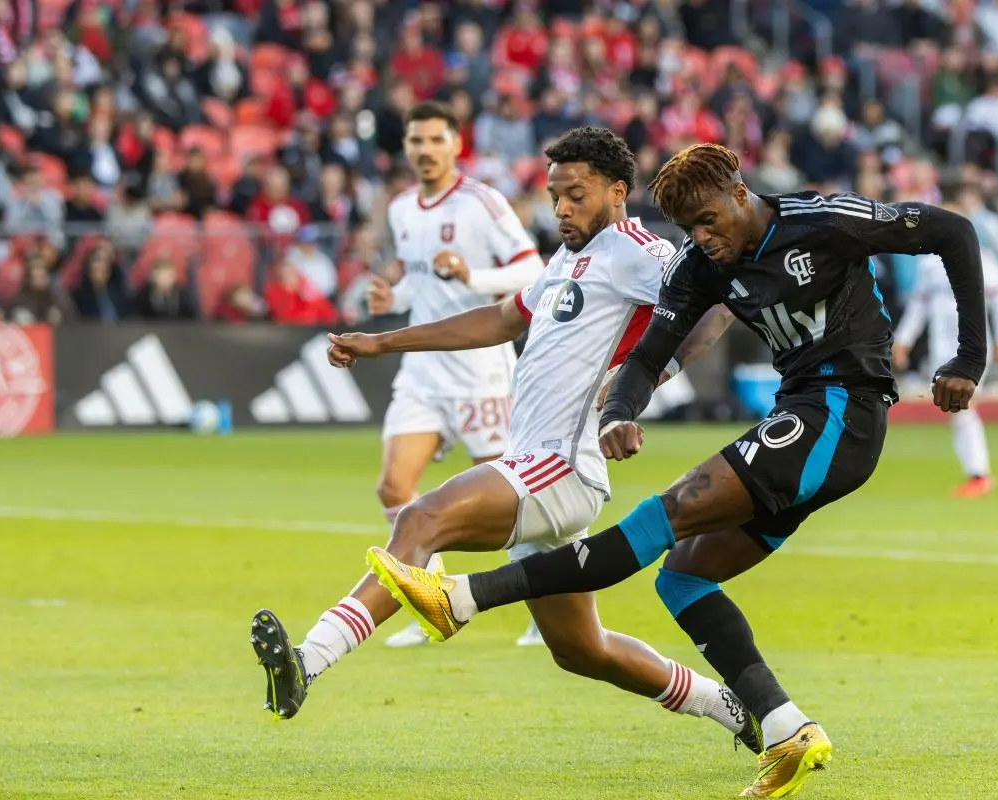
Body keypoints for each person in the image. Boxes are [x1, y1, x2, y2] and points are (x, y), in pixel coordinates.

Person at [368, 143, 987, 798]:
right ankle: (787, 729)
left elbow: (954, 231)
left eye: (708, 220)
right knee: (685, 576)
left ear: (739, 194)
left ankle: (463, 598)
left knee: (665, 515)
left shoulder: (823, 219)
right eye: (689, 228)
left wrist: (968, 358)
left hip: (842, 413)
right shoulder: (699, 267)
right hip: (804, 419)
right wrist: (620, 414)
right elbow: (648, 355)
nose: (702, 238)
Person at [249, 128, 758, 756]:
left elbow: (715, 305)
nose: (562, 208)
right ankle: (733, 708)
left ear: (617, 190)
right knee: (581, 650)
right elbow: (497, 319)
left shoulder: (638, 249)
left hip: (560, 466)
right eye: (554, 196)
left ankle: (308, 659)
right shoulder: (567, 261)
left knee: (421, 516)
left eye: (576, 194)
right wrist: (384, 342)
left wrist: (645, 384)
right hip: (534, 467)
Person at [360, 101, 550, 649]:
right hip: (422, 373)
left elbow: (531, 267)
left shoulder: (481, 202)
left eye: (435, 140)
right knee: (394, 486)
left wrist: (475, 273)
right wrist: (390, 296)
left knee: (508, 501)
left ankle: (548, 602)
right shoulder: (401, 209)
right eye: (415, 141)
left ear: (455, 144)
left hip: (480, 373)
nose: (424, 150)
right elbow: (421, 284)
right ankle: (431, 593)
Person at [893, 236, 998, 498]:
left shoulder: (981, 257)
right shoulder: (929, 264)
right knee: (957, 409)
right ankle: (977, 474)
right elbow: (918, 305)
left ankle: (979, 474)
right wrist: (903, 340)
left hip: (972, 346)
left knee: (963, 407)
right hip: (941, 347)